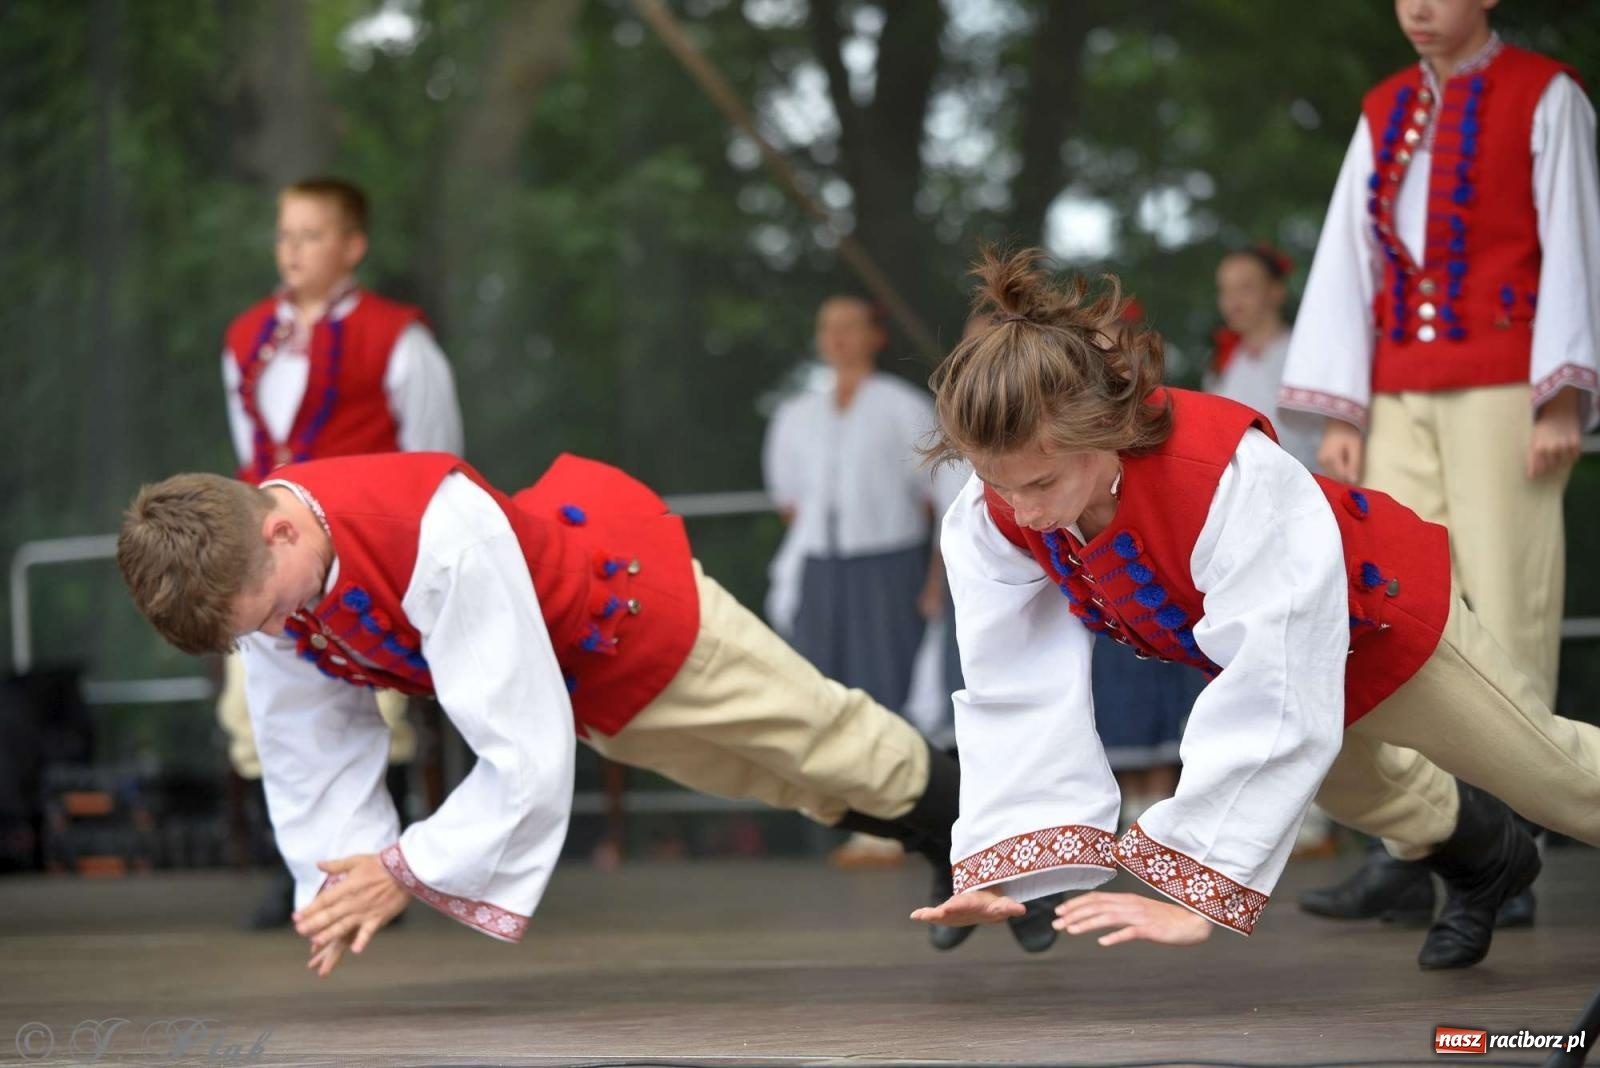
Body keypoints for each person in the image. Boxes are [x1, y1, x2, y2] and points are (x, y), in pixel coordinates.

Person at [908, 247, 1600, 970]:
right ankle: (1487, 858)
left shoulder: (1224, 474)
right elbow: (1012, 683)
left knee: (1555, 779)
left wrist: (1191, 890)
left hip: (1388, 623)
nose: (1022, 510)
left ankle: (1506, 831)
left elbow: (1276, 669)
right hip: (1267, 658)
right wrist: (1010, 862)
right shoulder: (993, 514)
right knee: (1373, 791)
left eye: (1041, 482)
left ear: (1101, 430)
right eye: (999, 483)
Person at [117, 450, 961, 975]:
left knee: (831, 742)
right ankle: (947, 847)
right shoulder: (258, 578)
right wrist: (338, 879)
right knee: (789, 782)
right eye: (252, 631)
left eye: (266, 613)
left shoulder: (434, 532)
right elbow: (310, 738)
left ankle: (997, 845)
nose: (276, 631)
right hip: (578, 683)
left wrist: (406, 866)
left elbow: (523, 752)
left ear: (278, 533)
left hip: (641, 619)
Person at [1278, 0, 1599, 928]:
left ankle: (1519, 850)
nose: (1417, 6)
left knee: (1507, 602)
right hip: (1398, 388)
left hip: (1505, 382)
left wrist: (1562, 389)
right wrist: (1343, 408)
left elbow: (1575, 238)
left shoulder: (1548, 95)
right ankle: (1422, 843)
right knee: (1391, 599)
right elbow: (1348, 257)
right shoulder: (1385, 106)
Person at [217, 176, 465, 929]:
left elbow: (436, 453)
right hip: (274, 565)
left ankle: (385, 874)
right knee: (254, 717)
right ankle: (302, 870)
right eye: (285, 234)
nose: (292, 249)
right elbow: (250, 453)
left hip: (367, 560)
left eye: (311, 234)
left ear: (352, 245)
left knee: (379, 708)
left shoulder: (398, 337)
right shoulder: (245, 337)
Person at [1206, 245, 1334, 857]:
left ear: (1275, 292)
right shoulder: (1223, 366)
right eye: (1226, 289)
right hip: (1247, 531)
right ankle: (1275, 812)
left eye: (1247, 286)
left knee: (1311, 656)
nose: (1235, 300)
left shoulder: (1303, 353)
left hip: (1305, 518)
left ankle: (1320, 812)